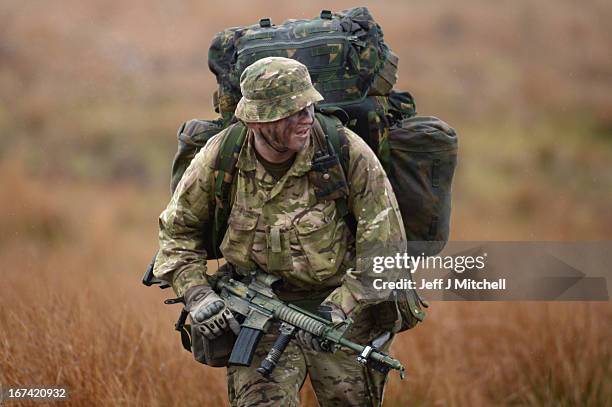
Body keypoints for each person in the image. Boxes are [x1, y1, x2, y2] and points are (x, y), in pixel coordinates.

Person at [153, 56, 406, 407]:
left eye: (308, 107)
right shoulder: (222, 156)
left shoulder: (346, 151)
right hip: (254, 313)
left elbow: (387, 247)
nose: (306, 119)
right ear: (257, 120)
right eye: (292, 112)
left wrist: (343, 306)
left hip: (338, 313)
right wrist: (197, 293)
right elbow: (177, 232)